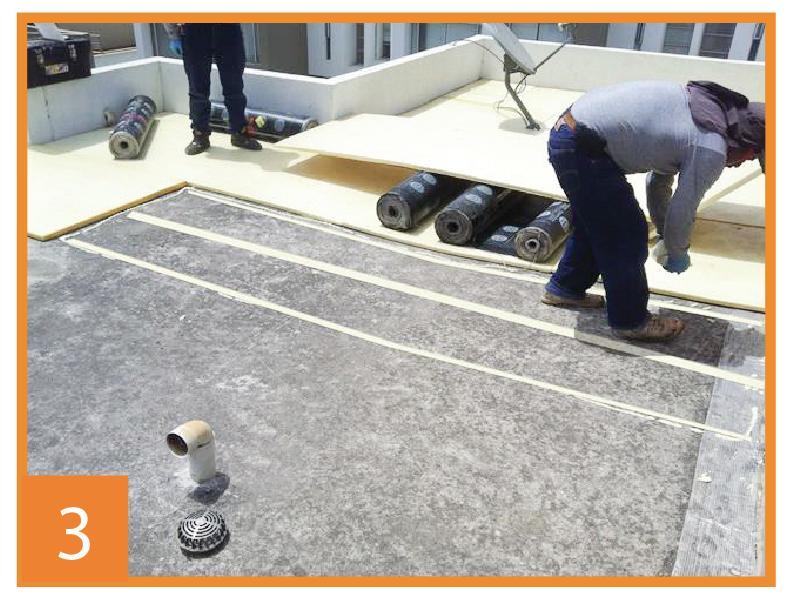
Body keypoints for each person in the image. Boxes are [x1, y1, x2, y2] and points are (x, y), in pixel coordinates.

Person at [540, 80, 765, 342]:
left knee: (599, 224)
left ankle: (565, 288)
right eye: (751, 158)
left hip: (571, 132)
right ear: (749, 145)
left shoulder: (708, 111)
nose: (739, 165)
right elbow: (683, 208)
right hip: (582, 145)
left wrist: (664, 233)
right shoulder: (710, 147)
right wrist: (677, 252)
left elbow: (657, 184)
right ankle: (630, 322)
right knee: (626, 235)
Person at [164, 23, 262, 155]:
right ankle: (200, 135)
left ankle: (239, 133)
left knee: (234, 84)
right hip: (194, 28)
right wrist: (173, 34)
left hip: (227, 25)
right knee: (198, 87)